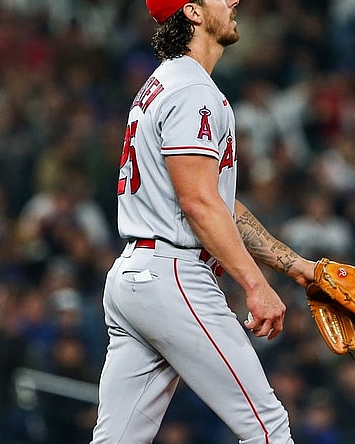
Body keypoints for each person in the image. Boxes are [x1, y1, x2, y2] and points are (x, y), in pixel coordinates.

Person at [90, 1, 319, 442]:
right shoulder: (192, 90)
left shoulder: (164, 84)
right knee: (267, 428)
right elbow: (198, 203)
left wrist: (299, 269)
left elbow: (218, 203)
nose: (233, 1)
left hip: (137, 275)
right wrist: (255, 286)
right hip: (173, 272)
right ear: (193, 12)